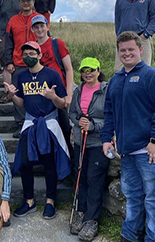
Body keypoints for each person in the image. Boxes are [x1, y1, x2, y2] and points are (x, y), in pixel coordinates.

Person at [101, 31, 155, 242]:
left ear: (140, 50)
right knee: (133, 197)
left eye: (131, 49)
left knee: (154, 199)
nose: (126, 53)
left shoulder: (152, 76)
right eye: (123, 50)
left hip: (149, 152)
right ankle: (130, 235)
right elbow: (109, 113)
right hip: (126, 152)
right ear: (118, 53)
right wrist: (106, 138)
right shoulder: (115, 80)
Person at [4, 41, 70, 220]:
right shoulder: (22, 76)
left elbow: (63, 103)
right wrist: (12, 95)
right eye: (25, 54)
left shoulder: (52, 74)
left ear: (40, 55)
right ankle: (29, 200)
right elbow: (22, 102)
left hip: (48, 123)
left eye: (32, 54)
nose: (28, 57)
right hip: (30, 123)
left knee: (49, 163)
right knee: (25, 163)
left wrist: (53, 96)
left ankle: (50, 201)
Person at [69, 58, 109, 241]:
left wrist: (93, 125)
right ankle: (81, 212)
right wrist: (78, 121)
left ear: (99, 71)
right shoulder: (78, 90)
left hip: (98, 143)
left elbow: (111, 117)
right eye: (85, 70)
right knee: (81, 176)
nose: (88, 73)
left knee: (94, 179)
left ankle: (92, 219)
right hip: (80, 141)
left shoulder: (106, 91)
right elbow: (71, 113)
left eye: (92, 70)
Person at [31, 14, 74, 156]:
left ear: (47, 26)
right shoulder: (32, 47)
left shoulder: (57, 43)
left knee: (64, 128)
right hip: (40, 96)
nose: (39, 29)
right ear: (32, 30)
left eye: (42, 26)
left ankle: (69, 162)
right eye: (36, 27)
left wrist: (68, 94)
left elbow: (68, 69)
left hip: (58, 94)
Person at [4, 0, 39, 138]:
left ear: (33, 2)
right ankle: (20, 124)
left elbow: (45, 38)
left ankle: (36, 123)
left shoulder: (38, 19)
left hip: (36, 63)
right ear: (19, 3)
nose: (26, 3)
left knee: (36, 94)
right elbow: (8, 42)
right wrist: (8, 62)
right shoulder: (13, 20)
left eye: (28, 1)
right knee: (18, 94)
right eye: (23, 1)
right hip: (18, 63)